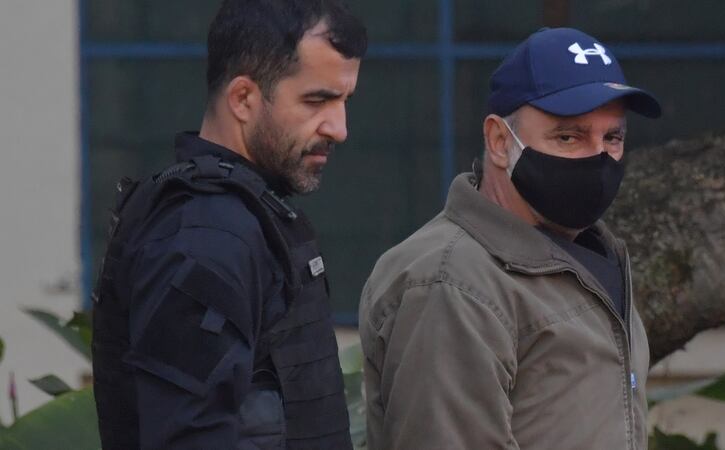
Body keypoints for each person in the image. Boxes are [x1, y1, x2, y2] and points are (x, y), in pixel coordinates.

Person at [359, 27, 661, 449]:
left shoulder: (595, 255)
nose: (598, 157)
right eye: (568, 136)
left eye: (613, 138)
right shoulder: (452, 282)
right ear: (500, 141)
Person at [91, 1, 367, 448]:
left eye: (344, 101)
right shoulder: (206, 235)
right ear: (243, 99)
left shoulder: (240, 220)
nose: (339, 128)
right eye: (317, 100)